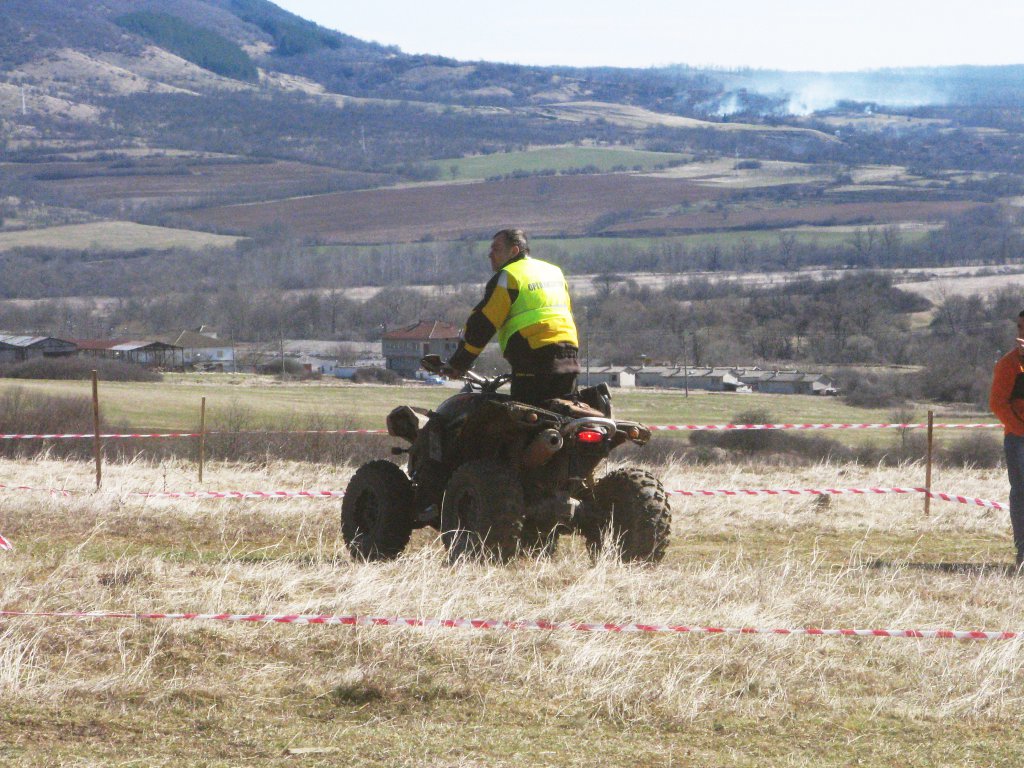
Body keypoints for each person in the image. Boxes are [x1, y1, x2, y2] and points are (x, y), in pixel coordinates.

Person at [447, 228, 580, 406]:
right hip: (570, 354)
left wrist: (459, 363)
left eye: (496, 249)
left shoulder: (509, 275)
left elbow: (484, 323)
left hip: (533, 356)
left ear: (514, 251)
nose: (490, 254)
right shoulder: (554, 271)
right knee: (563, 412)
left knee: (522, 419)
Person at [989, 309, 1024, 569]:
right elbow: (998, 404)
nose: (1021, 334)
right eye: (1020, 328)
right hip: (1019, 439)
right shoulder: (1008, 364)